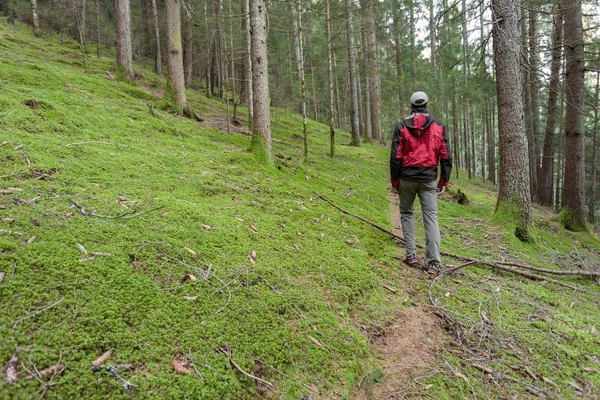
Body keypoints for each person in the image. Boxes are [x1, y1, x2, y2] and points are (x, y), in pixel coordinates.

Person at [389, 91, 452, 277]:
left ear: (410, 106)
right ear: (427, 105)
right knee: (431, 219)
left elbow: (396, 156)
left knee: (407, 213)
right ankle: (433, 263)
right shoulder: (439, 126)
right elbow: (446, 155)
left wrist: (395, 180)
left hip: (407, 178)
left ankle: (411, 255)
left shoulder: (401, 126)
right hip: (428, 179)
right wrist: (444, 180)